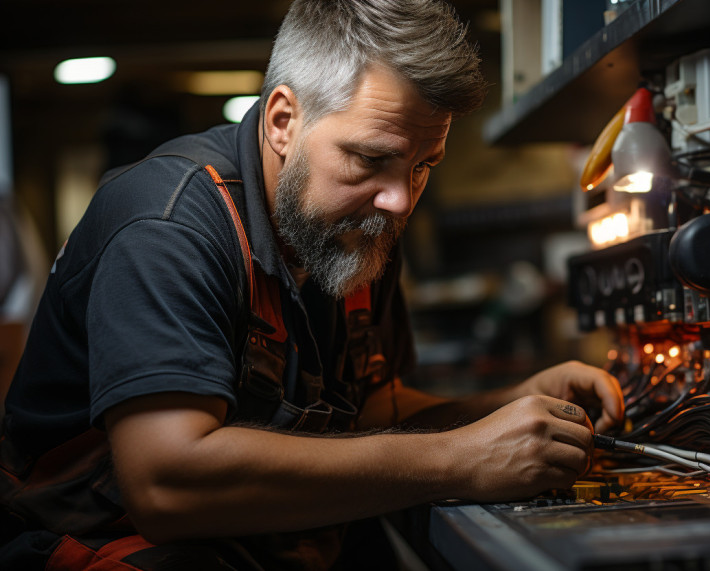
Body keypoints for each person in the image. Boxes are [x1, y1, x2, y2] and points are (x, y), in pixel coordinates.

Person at [0, 1, 623, 569]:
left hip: (261, 538)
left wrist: (507, 404)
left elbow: (371, 412)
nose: (401, 199)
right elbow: (168, 482)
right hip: (107, 544)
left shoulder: (356, 223)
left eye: (423, 166)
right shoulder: (167, 224)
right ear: (281, 121)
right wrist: (460, 458)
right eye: (370, 158)